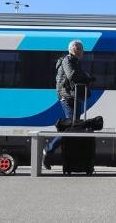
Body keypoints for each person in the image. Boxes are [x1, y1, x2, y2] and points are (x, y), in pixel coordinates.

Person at [43, 40, 93, 169]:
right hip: (68, 97)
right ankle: (49, 149)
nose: (83, 51)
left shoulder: (75, 61)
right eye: (81, 48)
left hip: (75, 96)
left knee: (73, 125)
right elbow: (72, 75)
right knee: (71, 125)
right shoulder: (67, 60)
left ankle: (62, 154)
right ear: (74, 49)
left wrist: (85, 77)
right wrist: (87, 76)